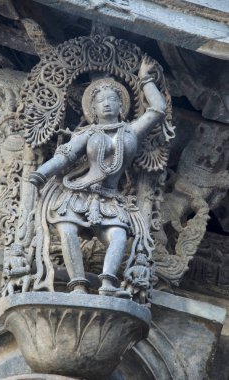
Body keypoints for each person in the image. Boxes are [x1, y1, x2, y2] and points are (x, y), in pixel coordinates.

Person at [30, 61, 166, 295]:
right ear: (92, 108)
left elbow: (157, 110)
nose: (106, 104)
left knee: (119, 235)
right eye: (100, 101)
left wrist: (146, 81)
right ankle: (78, 285)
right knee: (68, 229)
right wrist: (42, 173)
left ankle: (108, 284)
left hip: (111, 198)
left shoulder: (131, 132)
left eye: (111, 99)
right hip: (79, 193)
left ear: (120, 105)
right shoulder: (88, 134)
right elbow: (66, 156)